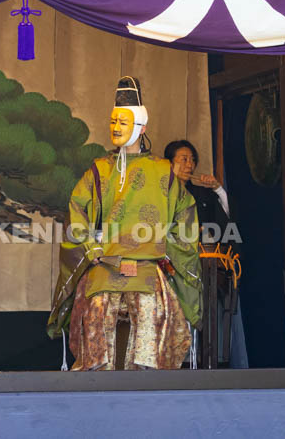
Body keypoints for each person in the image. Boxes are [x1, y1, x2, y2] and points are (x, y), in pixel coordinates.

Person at [48, 76, 201, 370]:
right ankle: (97, 383)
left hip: (148, 267)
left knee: (149, 312)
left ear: (142, 128)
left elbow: (185, 217)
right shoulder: (99, 170)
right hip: (104, 266)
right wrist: (92, 250)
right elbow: (76, 211)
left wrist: (164, 252)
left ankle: (147, 385)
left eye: (124, 121)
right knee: (96, 311)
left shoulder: (163, 171)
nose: (116, 127)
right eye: (113, 121)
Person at [165, 139, 248, 369]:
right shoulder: (160, 194)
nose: (189, 164)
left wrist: (217, 189)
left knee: (207, 311)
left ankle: (209, 361)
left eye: (192, 160)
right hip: (171, 268)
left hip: (203, 269)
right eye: (183, 159)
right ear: (169, 163)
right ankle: (176, 361)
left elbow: (230, 217)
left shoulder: (201, 194)